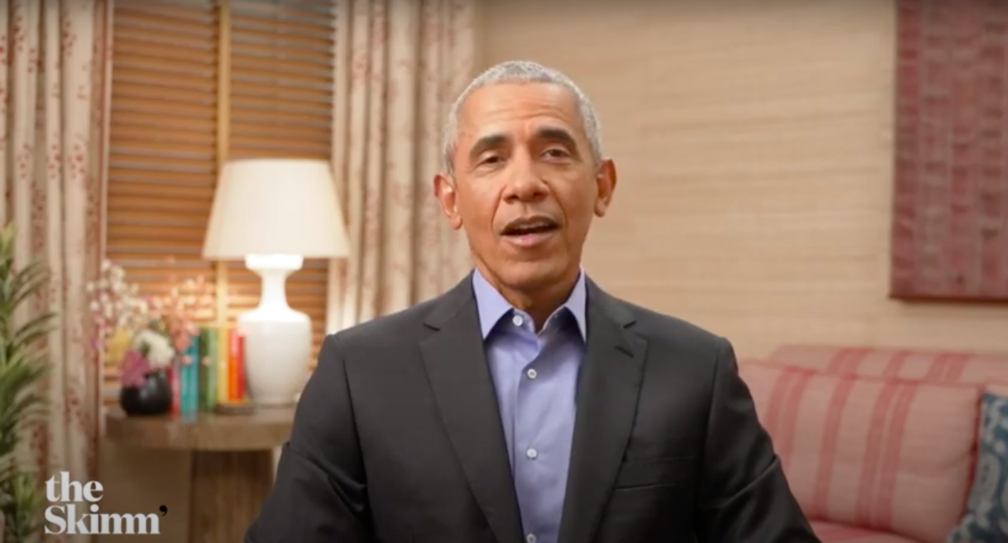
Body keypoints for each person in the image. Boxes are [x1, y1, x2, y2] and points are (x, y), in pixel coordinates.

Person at [245, 60, 820, 543]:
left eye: (554, 153)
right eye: (492, 159)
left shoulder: (695, 369)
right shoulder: (359, 371)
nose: (525, 184)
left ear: (602, 186)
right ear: (450, 200)